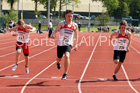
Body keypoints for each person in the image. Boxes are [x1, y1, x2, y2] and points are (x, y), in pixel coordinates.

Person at [52, 10, 78, 80]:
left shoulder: (75, 25)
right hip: (60, 44)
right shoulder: (62, 23)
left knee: (67, 56)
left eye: (71, 16)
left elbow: (75, 35)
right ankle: (58, 62)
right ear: (65, 16)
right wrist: (53, 34)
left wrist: (76, 45)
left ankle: (65, 74)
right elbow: (56, 30)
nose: (70, 17)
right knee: (59, 58)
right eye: (69, 16)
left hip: (68, 44)